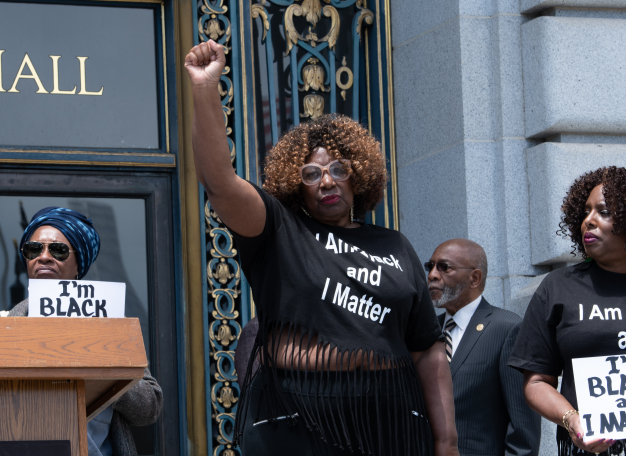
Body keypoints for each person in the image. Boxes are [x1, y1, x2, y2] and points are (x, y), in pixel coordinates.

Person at [185, 40, 458, 456]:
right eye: (311, 173)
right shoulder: (279, 229)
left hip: (390, 424)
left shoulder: (395, 245)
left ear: (358, 175)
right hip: (296, 421)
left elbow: (427, 350)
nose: (326, 181)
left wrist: (447, 442)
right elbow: (219, 182)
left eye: (338, 170)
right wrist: (205, 88)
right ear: (296, 184)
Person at [0, 207, 163, 456]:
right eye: (34, 249)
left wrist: (103, 368)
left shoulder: (109, 323)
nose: (44, 257)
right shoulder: (0, 326)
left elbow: (149, 408)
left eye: (58, 250)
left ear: (79, 265)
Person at [509, 166, 626, 456]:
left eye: (603, 212)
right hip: (590, 448)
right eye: (585, 212)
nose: (589, 221)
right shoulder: (558, 287)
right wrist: (572, 419)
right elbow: (536, 381)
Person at [428, 239, 540, 456]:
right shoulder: (427, 332)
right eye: (430, 266)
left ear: (474, 278)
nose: (432, 275)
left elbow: (524, 431)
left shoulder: (507, 328)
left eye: (444, 267)